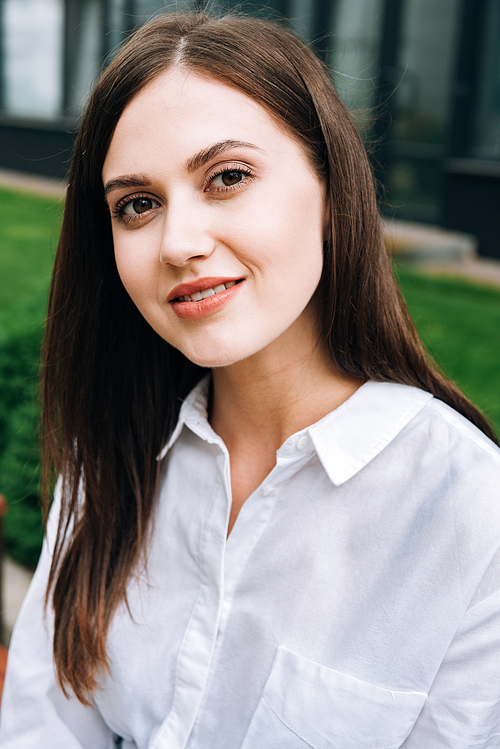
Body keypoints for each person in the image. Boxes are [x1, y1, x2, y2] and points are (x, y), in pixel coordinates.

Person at [1, 11, 500, 749]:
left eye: (228, 177)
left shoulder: (471, 513)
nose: (179, 243)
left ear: (331, 191)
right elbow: (43, 725)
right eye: (137, 205)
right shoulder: (105, 455)